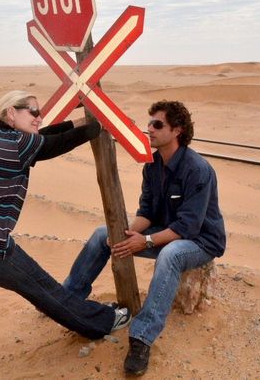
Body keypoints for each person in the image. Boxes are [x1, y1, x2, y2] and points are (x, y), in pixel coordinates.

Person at [0, 90, 131, 340]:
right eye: (33, 111)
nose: (39, 117)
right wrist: (99, 124)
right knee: (45, 289)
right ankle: (104, 322)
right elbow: (56, 143)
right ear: (11, 112)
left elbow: (43, 137)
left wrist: (81, 121)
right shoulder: (17, 144)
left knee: (38, 289)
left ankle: (81, 311)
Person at [63, 100, 226, 375]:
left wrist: (146, 241)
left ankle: (141, 338)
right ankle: (66, 299)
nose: (149, 129)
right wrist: (125, 233)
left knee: (170, 254)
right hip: (166, 232)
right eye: (149, 123)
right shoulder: (152, 166)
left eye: (157, 124)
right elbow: (147, 213)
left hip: (200, 241)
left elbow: (187, 226)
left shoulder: (197, 169)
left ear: (177, 130)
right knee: (103, 233)